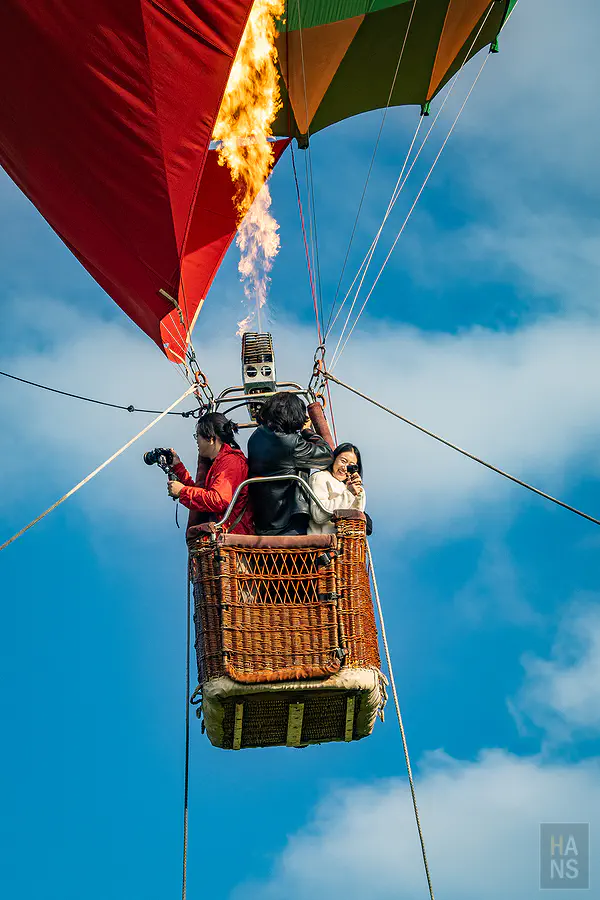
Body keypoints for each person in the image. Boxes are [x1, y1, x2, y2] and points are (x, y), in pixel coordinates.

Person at [247, 392, 333, 535]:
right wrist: (307, 431)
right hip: (287, 522)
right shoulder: (291, 443)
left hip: (263, 519)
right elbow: (326, 455)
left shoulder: (256, 436)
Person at [167, 412, 254, 535]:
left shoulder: (231, 461)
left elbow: (218, 500)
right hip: (223, 535)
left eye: (197, 436)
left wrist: (182, 492)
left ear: (211, 438)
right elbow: (203, 495)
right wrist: (178, 467)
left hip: (231, 536)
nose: (197, 441)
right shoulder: (219, 462)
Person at [308, 443, 366, 535]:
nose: (345, 468)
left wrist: (358, 493)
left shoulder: (346, 487)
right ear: (334, 459)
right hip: (324, 543)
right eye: (343, 461)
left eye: (351, 465)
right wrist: (349, 494)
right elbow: (318, 515)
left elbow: (355, 519)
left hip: (344, 545)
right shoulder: (320, 477)